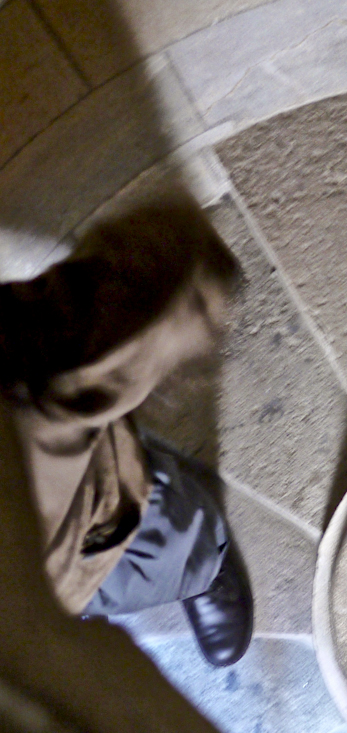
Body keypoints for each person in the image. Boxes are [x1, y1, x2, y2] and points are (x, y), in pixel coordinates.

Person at [0, 194, 253, 667]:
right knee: (138, 552)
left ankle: (199, 554)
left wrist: (136, 310)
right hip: (61, 564)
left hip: (61, 480)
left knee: (150, 518)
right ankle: (198, 560)